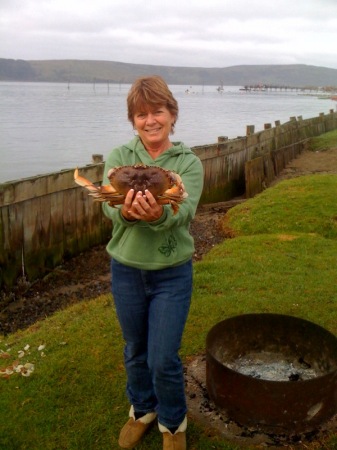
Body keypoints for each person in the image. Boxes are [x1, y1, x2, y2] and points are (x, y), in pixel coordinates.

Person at [102, 75, 204, 450]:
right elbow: (107, 204)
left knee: (162, 357)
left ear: (171, 114)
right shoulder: (118, 160)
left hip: (172, 274)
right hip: (126, 270)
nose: (150, 121)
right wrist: (127, 214)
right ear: (133, 120)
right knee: (134, 348)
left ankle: (173, 422)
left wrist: (157, 216)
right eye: (141, 114)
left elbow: (185, 209)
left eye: (157, 111)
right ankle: (142, 409)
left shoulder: (188, 163)